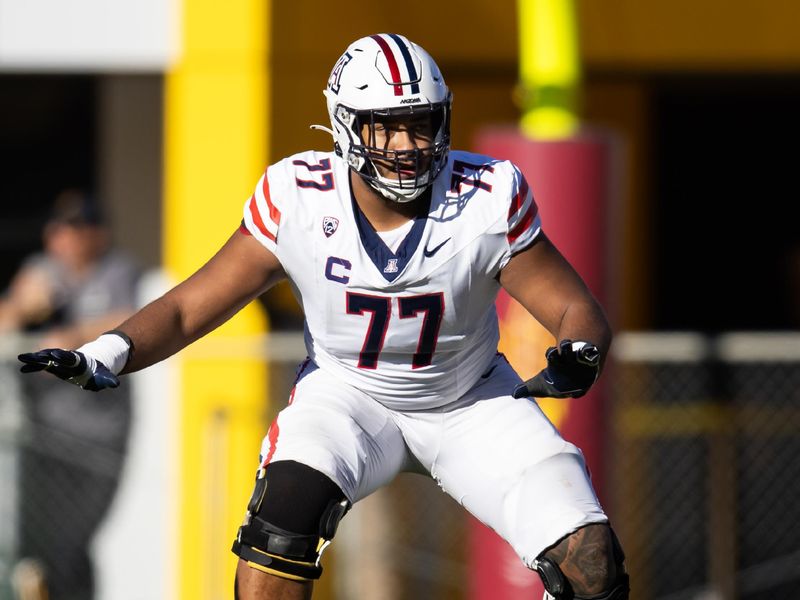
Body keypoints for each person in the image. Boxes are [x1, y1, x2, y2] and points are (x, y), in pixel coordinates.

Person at [18, 34, 629, 600]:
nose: (407, 145)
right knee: (275, 537)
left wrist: (579, 352)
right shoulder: (298, 197)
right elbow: (187, 307)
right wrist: (110, 351)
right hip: (347, 396)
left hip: (469, 398)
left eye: (420, 124)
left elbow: (575, 308)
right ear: (345, 126)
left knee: (590, 558)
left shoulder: (487, 193)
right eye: (386, 129)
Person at [2, 189, 139, 599]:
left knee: (73, 542)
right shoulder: (42, 270)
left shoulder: (117, 271)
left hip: (99, 438)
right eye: (61, 229)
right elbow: (6, 321)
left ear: (98, 235)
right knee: (35, 548)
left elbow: (133, 318)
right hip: (42, 436)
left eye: (79, 229)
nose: (67, 238)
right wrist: (23, 306)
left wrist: (76, 338)